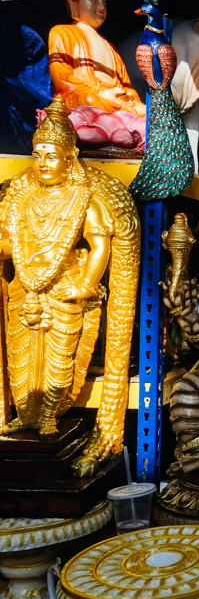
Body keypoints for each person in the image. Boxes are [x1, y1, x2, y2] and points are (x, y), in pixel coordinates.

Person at [0, 96, 139, 475]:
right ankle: (26, 417)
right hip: (23, 288)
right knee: (22, 358)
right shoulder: (19, 197)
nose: (43, 163)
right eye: (38, 155)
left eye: (52, 156)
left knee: (59, 361)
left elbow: (100, 243)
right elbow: (7, 239)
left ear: (69, 158)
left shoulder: (83, 196)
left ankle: (49, 416)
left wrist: (85, 283)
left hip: (65, 288)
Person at [48, 0, 146, 148]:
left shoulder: (110, 46)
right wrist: (101, 92)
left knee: (147, 112)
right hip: (88, 97)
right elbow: (60, 75)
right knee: (90, 101)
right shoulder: (62, 32)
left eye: (104, 1)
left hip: (115, 100)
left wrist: (127, 96)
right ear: (73, 0)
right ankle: (118, 129)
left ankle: (123, 126)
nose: (101, 5)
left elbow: (126, 85)